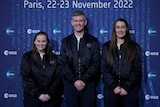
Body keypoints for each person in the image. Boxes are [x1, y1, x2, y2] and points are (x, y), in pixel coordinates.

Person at [60, 10, 101, 107]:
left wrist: (84, 80)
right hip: (71, 84)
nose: (78, 23)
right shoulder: (65, 42)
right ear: (72, 23)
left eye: (81, 21)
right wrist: (74, 80)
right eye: (76, 21)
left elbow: (96, 63)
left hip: (88, 84)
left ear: (85, 22)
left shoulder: (93, 41)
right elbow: (63, 63)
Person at [101, 18, 142, 107]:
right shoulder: (106, 47)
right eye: (118, 27)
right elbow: (104, 69)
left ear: (127, 29)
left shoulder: (134, 47)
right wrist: (114, 86)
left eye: (123, 27)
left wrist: (126, 87)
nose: (120, 30)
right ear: (114, 30)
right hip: (111, 90)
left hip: (129, 90)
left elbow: (136, 69)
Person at [20, 31, 63, 107]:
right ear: (34, 42)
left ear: (47, 43)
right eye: (38, 41)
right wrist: (38, 94)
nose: (41, 44)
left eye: (43, 41)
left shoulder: (53, 57)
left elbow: (57, 78)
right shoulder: (27, 57)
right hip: (32, 98)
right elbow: (26, 78)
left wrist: (49, 94)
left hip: (50, 98)